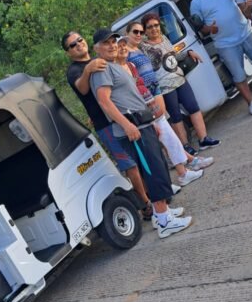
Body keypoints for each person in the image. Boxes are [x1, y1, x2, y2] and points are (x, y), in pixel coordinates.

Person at [89, 28, 193, 238]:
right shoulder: (101, 70)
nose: (111, 45)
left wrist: (148, 121)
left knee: (159, 167)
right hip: (132, 128)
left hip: (142, 124)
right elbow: (104, 101)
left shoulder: (113, 66)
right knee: (153, 171)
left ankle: (160, 212)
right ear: (96, 48)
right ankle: (164, 222)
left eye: (113, 41)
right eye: (105, 43)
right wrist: (127, 125)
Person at [63, 29, 154, 219]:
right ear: (68, 52)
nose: (78, 44)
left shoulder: (102, 58)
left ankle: (155, 194)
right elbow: (82, 88)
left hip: (123, 116)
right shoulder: (74, 71)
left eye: (80, 39)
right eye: (73, 44)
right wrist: (88, 70)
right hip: (105, 124)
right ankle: (145, 204)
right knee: (129, 164)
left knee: (140, 156)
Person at [115, 36, 210, 188]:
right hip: (138, 112)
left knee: (167, 136)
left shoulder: (130, 64)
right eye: (118, 46)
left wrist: (151, 100)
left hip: (149, 102)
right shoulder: (116, 70)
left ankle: (184, 168)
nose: (122, 48)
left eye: (123, 45)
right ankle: (183, 170)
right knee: (162, 140)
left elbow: (140, 84)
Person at [136, 14, 221, 155]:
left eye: (156, 25)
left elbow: (173, 56)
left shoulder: (164, 38)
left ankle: (203, 139)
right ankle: (185, 146)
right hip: (164, 86)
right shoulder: (143, 47)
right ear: (145, 30)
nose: (154, 29)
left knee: (193, 107)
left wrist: (188, 52)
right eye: (149, 27)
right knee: (176, 116)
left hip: (180, 78)